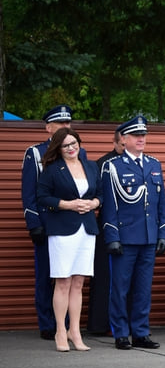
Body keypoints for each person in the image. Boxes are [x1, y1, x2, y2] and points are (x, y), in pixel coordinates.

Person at [99, 116, 165, 350]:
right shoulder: (113, 166)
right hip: (125, 237)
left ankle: (141, 332)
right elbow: (109, 206)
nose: (141, 139)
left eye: (143, 135)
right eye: (136, 136)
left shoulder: (153, 164)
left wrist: (162, 234)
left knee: (143, 288)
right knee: (120, 287)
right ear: (124, 139)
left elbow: (160, 203)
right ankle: (120, 332)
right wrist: (112, 237)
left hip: (148, 237)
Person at [36, 127, 102, 352]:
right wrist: (68, 204)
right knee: (63, 282)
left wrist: (94, 203)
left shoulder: (91, 166)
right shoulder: (52, 169)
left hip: (87, 230)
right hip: (62, 230)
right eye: (66, 145)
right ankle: (60, 331)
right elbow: (42, 197)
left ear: (80, 144)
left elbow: (100, 194)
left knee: (79, 283)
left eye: (74, 143)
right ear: (58, 148)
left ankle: (75, 332)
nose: (71, 148)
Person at [20, 105, 81, 340]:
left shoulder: (78, 153)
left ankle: (67, 324)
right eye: (61, 124)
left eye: (68, 123)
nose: (66, 127)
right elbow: (29, 192)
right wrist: (33, 223)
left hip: (72, 224)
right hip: (47, 223)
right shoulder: (36, 153)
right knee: (47, 274)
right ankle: (48, 324)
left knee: (71, 276)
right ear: (49, 128)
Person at [87, 128, 125, 336]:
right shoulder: (102, 165)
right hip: (106, 229)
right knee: (104, 278)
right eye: (122, 143)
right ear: (117, 142)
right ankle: (99, 324)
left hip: (132, 229)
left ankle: (122, 323)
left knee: (125, 281)